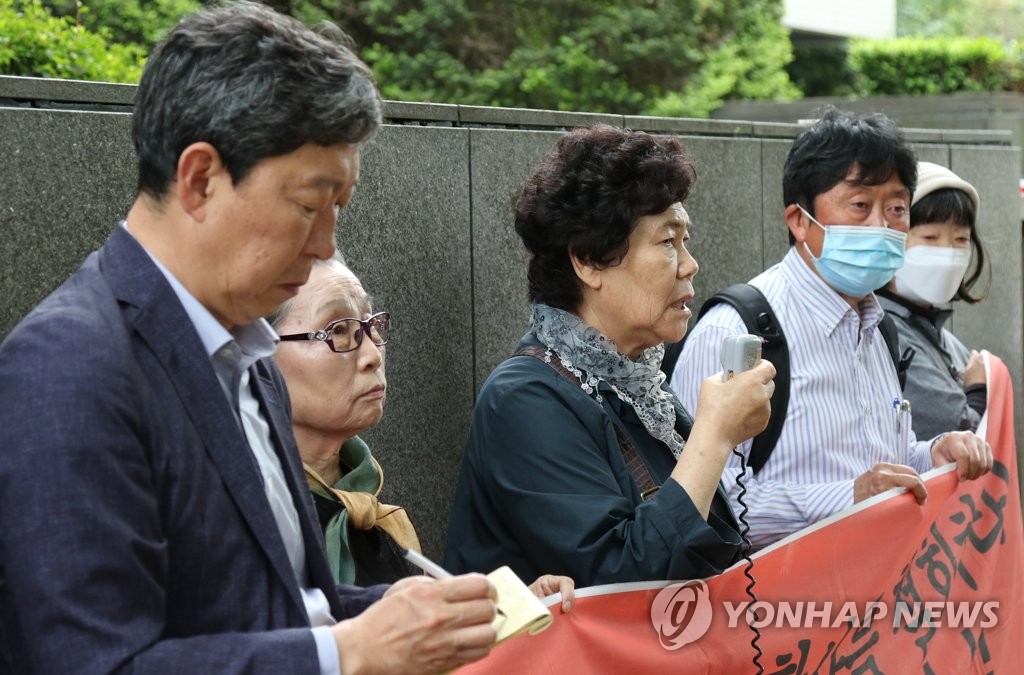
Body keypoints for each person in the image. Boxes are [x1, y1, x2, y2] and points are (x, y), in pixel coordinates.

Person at [0, 3, 498, 674]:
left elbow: (284, 605)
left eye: (339, 209)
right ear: (200, 178)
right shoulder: (68, 367)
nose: (326, 244)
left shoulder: (250, 353)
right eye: (307, 205)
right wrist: (350, 651)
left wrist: (419, 610)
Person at [443, 124, 776, 586]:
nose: (689, 263)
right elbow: (620, 578)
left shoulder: (635, 382)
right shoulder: (523, 398)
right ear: (588, 261)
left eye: (686, 240)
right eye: (667, 241)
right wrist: (715, 435)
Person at [670, 108, 993, 550]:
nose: (882, 226)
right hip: (779, 612)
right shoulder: (739, 331)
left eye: (897, 209)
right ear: (799, 220)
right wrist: (848, 498)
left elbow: (880, 464)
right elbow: (701, 506)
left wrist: (934, 453)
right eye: (860, 206)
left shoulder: (878, 328)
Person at [268, 255, 575, 608]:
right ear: (257, 353)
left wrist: (510, 612)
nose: (372, 355)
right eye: (337, 330)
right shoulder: (248, 514)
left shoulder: (373, 514)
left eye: (370, 325)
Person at [877, 161, 991, 439]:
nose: (948, 254)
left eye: (961, 239)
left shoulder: (940, 336)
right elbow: (957, 431)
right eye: (930, 237)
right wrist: (978, 390)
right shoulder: (881, 329)